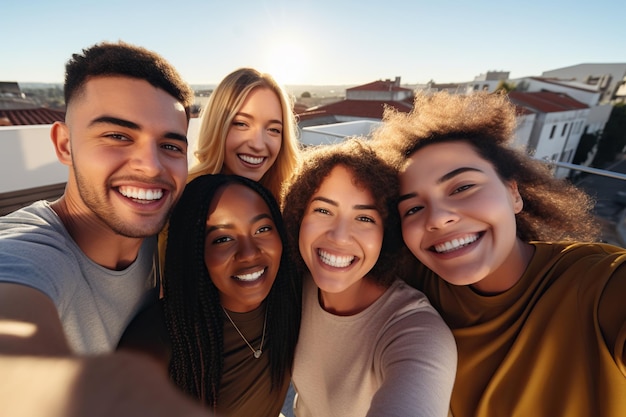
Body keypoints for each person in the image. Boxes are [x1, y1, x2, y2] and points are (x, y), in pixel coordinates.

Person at [373, 91, 626, 417]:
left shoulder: (599, 283)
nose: (437, 218)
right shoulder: (412, 280)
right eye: (413, 208)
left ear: (514, 194)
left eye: (462, 188)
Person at [0, 41, 215, 416]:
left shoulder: (157, 232)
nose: (150, 167)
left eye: (170, 145)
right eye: (118, 136)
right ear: (65, 144)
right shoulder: (28, 254)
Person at [281, 138, 457, 417]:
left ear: (386, 234)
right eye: (323, 210)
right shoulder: (295, 285)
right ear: (298, 217)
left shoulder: (414, 329)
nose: (339, 236)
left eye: (364, 219)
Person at [118, 174, 301, 417]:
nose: (249, 253)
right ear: (194, 251)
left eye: (262, 229)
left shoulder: (292, 302)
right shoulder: (157, 341)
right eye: (223, 239)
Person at [158, 67, 300, 269]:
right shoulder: (180, 203)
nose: (258, 144)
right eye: (241, 124)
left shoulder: (289, 204)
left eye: (273, 129)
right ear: (218, 126)